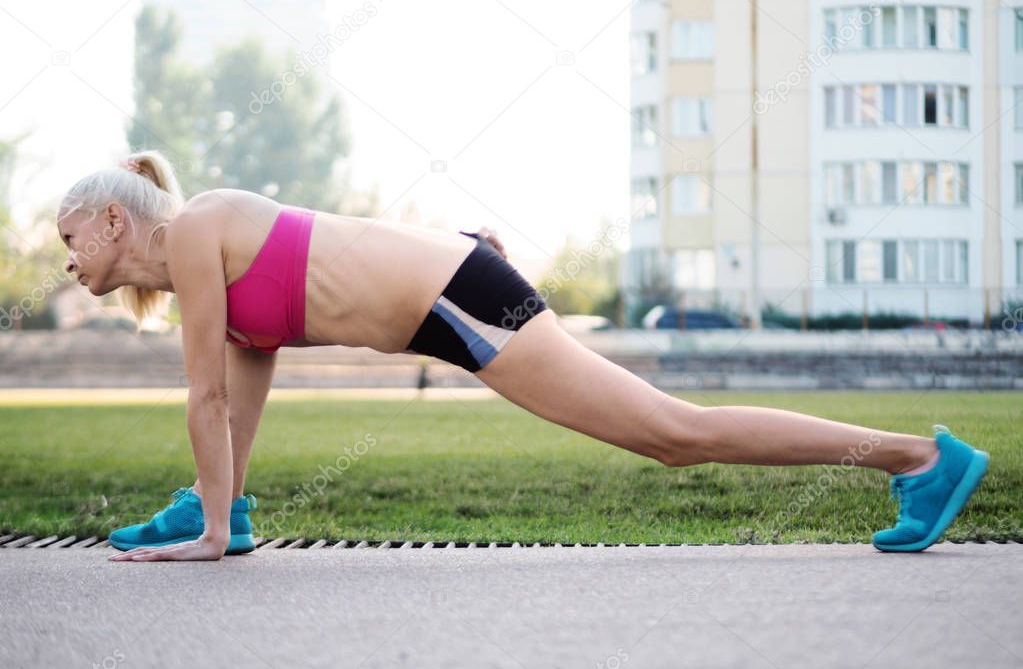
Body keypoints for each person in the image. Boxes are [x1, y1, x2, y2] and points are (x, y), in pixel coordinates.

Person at [54, 150, 990, 562]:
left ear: (111, 220)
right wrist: (225, 512)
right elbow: (236, 402)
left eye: (70, 239)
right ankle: (915, 462)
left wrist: (213, 537)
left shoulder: (193, 231)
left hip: (463, 298)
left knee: (673, 434)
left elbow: (204, 401)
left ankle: (916, 458)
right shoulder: (211, 280)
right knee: (673, 434)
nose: (66, 261)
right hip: (453, 287)